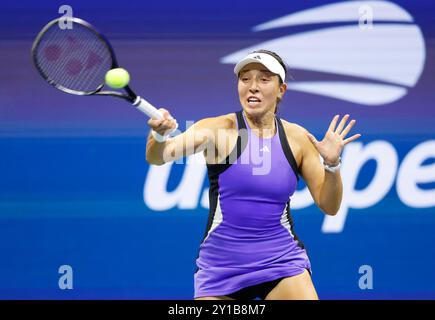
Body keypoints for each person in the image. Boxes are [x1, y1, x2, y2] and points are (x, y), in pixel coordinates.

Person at [146, 49, 361, 300]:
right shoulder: (218, 129)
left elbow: (330, 205)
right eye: (245, 79)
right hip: (221, 268)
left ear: (281, 90)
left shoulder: (298, 139)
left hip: (281, 263)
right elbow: (158, 156)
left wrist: (332, 164)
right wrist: (160, 135)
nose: (252, 87)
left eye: (264, 79)